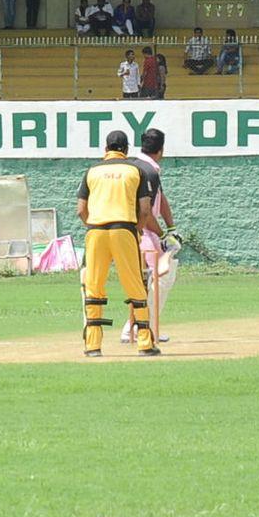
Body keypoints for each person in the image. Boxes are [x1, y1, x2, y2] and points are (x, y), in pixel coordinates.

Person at [76, 130, 161, 357]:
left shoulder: (92, 171)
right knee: (135, 284)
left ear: (106, 148)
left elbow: (81, 210)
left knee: (93, 286)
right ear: (126, 150)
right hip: (124, 229)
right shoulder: (136, 171)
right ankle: (144, 343)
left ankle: (92, 345)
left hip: (95, 231)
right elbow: (145, 209)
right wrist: (138, 230)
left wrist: (92, 226)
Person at [121, 127, 177, 346]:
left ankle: (146, 327)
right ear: (161, 150)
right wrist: (163, 233)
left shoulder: (140, 166)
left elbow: (160, 199)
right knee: (155, 280)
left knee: (151, 281)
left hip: (139, 231)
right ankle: (136, 329)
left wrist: (171, 228)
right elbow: (143, 212)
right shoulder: (147, 171)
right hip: (143, 232)